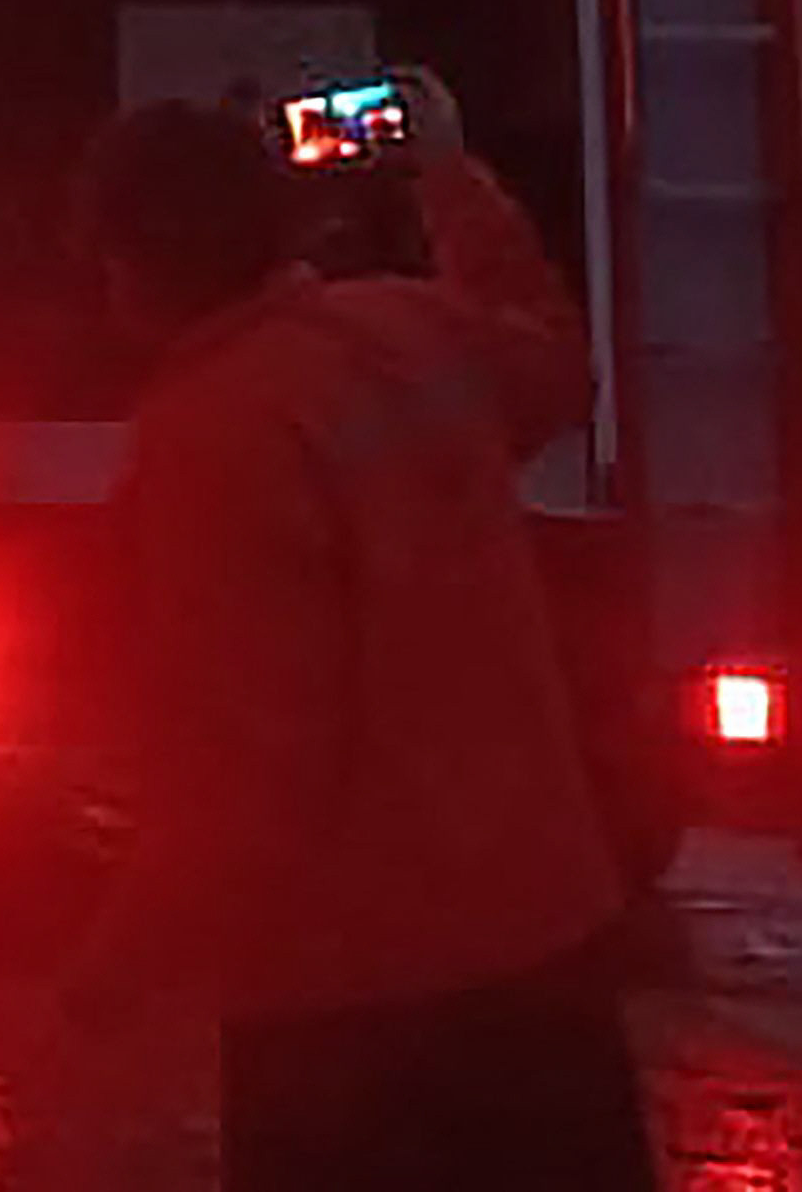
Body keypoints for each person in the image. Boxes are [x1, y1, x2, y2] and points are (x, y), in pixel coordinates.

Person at [63, 83, 655, 1189]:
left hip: (353, 1016)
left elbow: (248, 767)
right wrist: (446, 177)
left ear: (127, 267)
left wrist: (114, 969)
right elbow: (555, 368)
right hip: (548, 944)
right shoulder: (411, 329)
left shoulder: (208, 439)